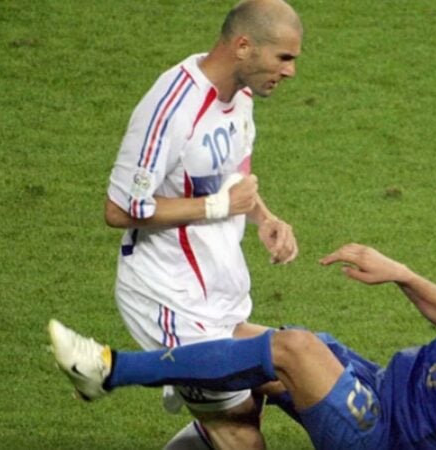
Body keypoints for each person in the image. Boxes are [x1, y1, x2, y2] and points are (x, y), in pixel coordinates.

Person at [50, 243, 436, 450]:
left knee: (295, 351)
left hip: (380, 437)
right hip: (375, 382)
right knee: (237, 343)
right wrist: (402, 273)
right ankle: (196, 398)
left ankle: (108, 370)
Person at [102, 0, 302, 448]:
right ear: (244, 46)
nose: (290, 71)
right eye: (284, 57)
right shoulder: (173, 105)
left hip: (218, 289)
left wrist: (264, 217)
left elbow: (233, 176)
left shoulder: (240, 96)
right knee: (240, 432)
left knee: (276, 384)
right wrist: (217, 206)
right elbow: (118, 209)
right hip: (167, 297)